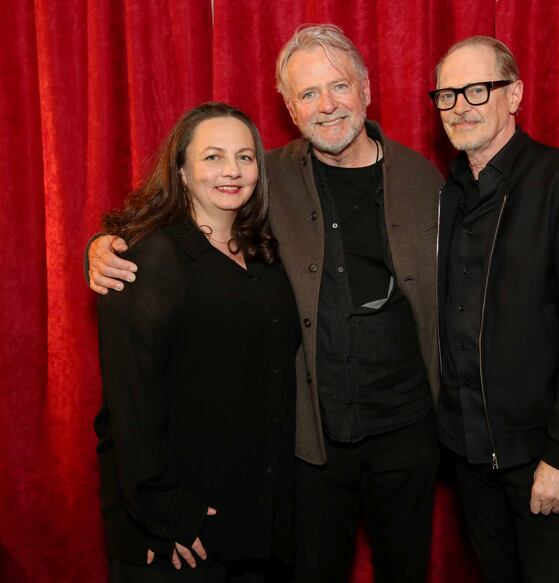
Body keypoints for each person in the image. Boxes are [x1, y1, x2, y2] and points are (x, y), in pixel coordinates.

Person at [88, 25, 442, 583]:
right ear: (290, 109)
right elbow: (166, 220)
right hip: (308, 447)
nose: (327, 106)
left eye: (339, 87)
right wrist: (101, 247)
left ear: (367, 89)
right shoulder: (263, 176)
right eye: (307, 94)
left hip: (406, 435)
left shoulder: (424, 180)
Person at [429, 36, 559, 582]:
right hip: (471, 457)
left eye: (477, 89)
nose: (460, 106)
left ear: (514, 94)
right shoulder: (448, 195)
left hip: (545, 458)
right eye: (447, 94)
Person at [94, 102, 300, 583]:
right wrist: (160, 515)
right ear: (182, 171)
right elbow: (130, 407)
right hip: (181, 531)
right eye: (213, 157)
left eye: (245, 157)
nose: (232, 170)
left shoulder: (266, 255)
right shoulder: (147, 262)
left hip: (256, 520)